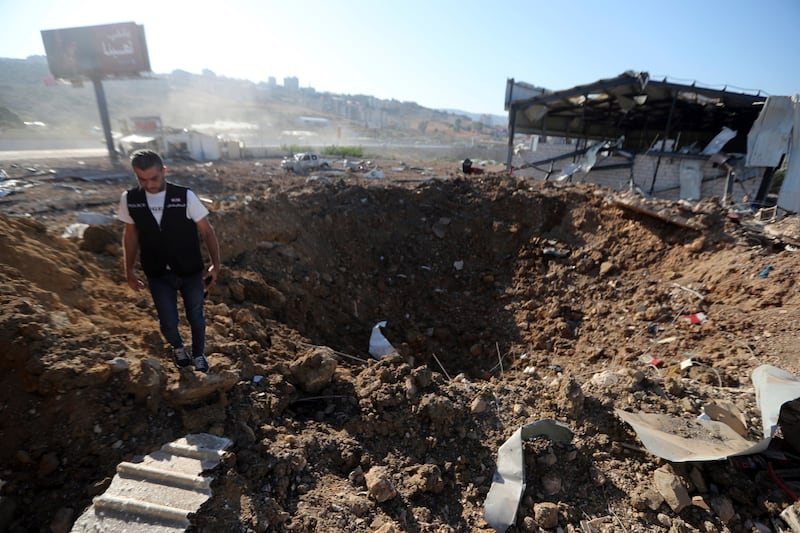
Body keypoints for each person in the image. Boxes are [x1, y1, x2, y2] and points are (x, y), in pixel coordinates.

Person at [118, 149, 220, 373]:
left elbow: (207, 231)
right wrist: (129, 270)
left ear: (164, 171)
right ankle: (177, 347)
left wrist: (215, 265)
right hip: (158, 273)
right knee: (168, 322)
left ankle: (199, 354)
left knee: (196, 316)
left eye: (154, 178)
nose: (150, 185)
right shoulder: (130, 199)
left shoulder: (185, 196)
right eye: (142, 179)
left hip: (190, 270)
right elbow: (130, 235)